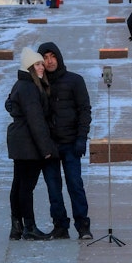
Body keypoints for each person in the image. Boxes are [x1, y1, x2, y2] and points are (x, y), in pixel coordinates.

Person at [37, 42, 92, 240]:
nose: (50, 61)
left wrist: (81, 138)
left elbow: (84, 110)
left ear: (59, 57)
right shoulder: (38, 84)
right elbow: (22, 99)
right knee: (53, 188)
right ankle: (60, 226)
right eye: (45, 57)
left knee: (75, 185)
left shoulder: (75, 81)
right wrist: (11, 103)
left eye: (53, 56)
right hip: (49, 146)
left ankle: (83, 226)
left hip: (71, 144)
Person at [5, 47, 56, 241]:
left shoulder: (22, 84)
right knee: (26, 187)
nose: (42, 67)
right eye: (37, 64)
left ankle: (16, 227)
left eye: (41, 63)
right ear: (29, 68)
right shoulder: (30, 88)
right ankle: (29, 227)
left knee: (19, 184)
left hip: (20, 141)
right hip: (28, 144)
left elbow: (11, 103)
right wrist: (46, 149)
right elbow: (36, 120)